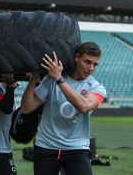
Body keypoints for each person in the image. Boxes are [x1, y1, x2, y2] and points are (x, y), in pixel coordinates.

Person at [21, 42, 106, 175]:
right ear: (77, 57)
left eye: (95, 64)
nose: (91, 68)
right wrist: (34, 78)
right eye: (87, 62)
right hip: (46, 147)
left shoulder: (96, 87)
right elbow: (26, 108)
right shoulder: (51, 79)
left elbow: (84, 106)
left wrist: (58, 78)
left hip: (77, 149)